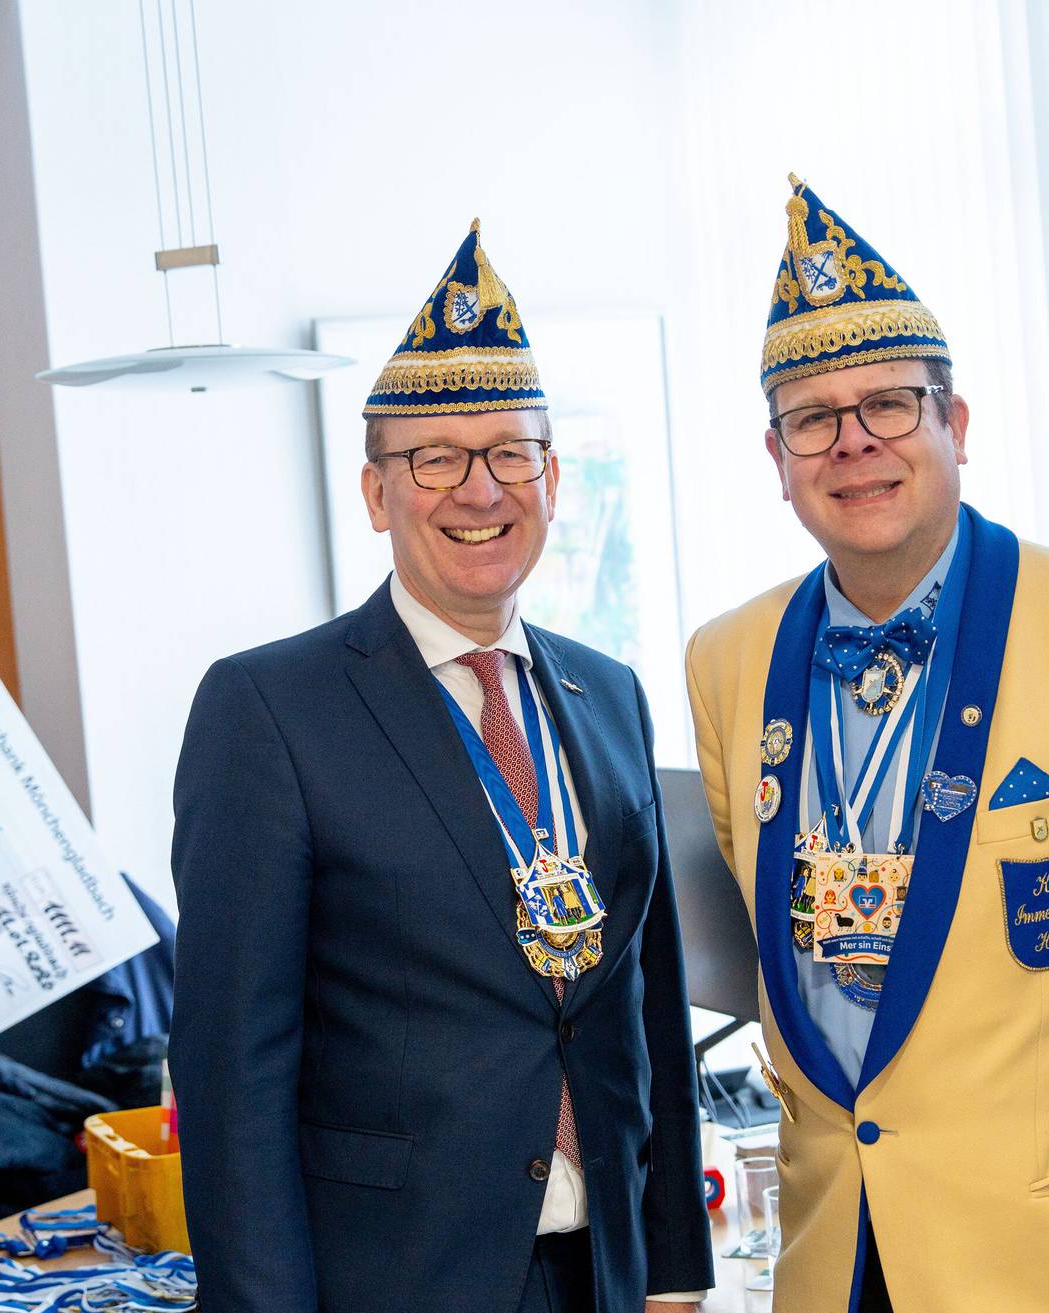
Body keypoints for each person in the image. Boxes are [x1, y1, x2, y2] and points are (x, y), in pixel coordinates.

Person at [170, 221, 713, 1313]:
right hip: (395, 1277)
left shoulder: (611, 695)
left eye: (512, 452)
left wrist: (672, 1264)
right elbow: (234, 1073)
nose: (480, 488)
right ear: (377, 493)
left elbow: (645, 1006)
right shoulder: (270, 709)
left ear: (554, 478)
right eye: (435, 459)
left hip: (600, 1270)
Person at [683, 178, 1049, 1312]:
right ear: (776, 458)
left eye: (891, 405)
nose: (853, 441)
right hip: (837, 1258)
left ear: (955, 425)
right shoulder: (724, 660)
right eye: (813, 417)